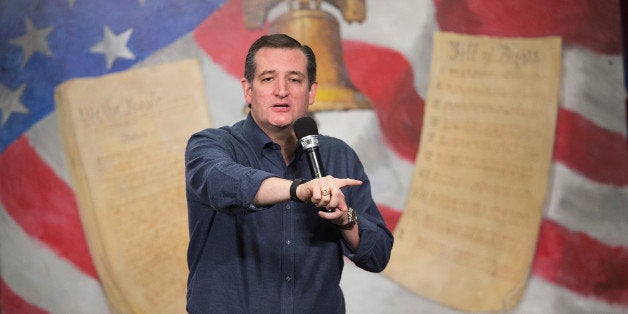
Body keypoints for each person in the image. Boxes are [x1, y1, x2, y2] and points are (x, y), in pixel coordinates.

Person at [184, 33, 393, 313]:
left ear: (311, 91)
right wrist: (299, 189)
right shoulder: (210, 145)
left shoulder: (338, 155)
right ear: (248, 90)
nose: (281, 90)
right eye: (268, 78)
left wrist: (345, 219)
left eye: (294, 80)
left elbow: (377, 255)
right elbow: (224, 183)